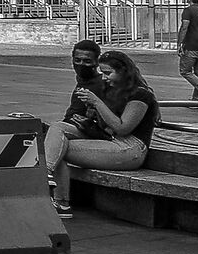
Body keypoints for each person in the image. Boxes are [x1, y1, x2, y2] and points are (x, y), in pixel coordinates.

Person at [46, 48, 159, 217]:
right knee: (57, 130)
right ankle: (48, 174)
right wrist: (89, 119)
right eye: (102, 73)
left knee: (59, 149)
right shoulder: (111, 90)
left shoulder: (140, 95)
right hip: (109, 140)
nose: (104, 77)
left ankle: (61, 202)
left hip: (130, 149)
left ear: (122, 71)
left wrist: (97, 103)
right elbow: (107, 126)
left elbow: (123, 128)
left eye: (108, 73)